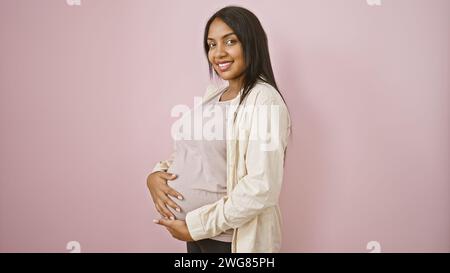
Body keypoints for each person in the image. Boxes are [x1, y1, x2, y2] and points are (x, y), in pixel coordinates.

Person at [146, 6, 291, 253]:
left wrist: (197, 225)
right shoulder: (214, 95)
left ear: (252, 43)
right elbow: (192, 151)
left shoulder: (264, 100)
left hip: (229, 241)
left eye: (230, 41)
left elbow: (261, 187)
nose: (218, 53)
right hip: (195, 235)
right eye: (211, 44)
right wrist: (156, 175)